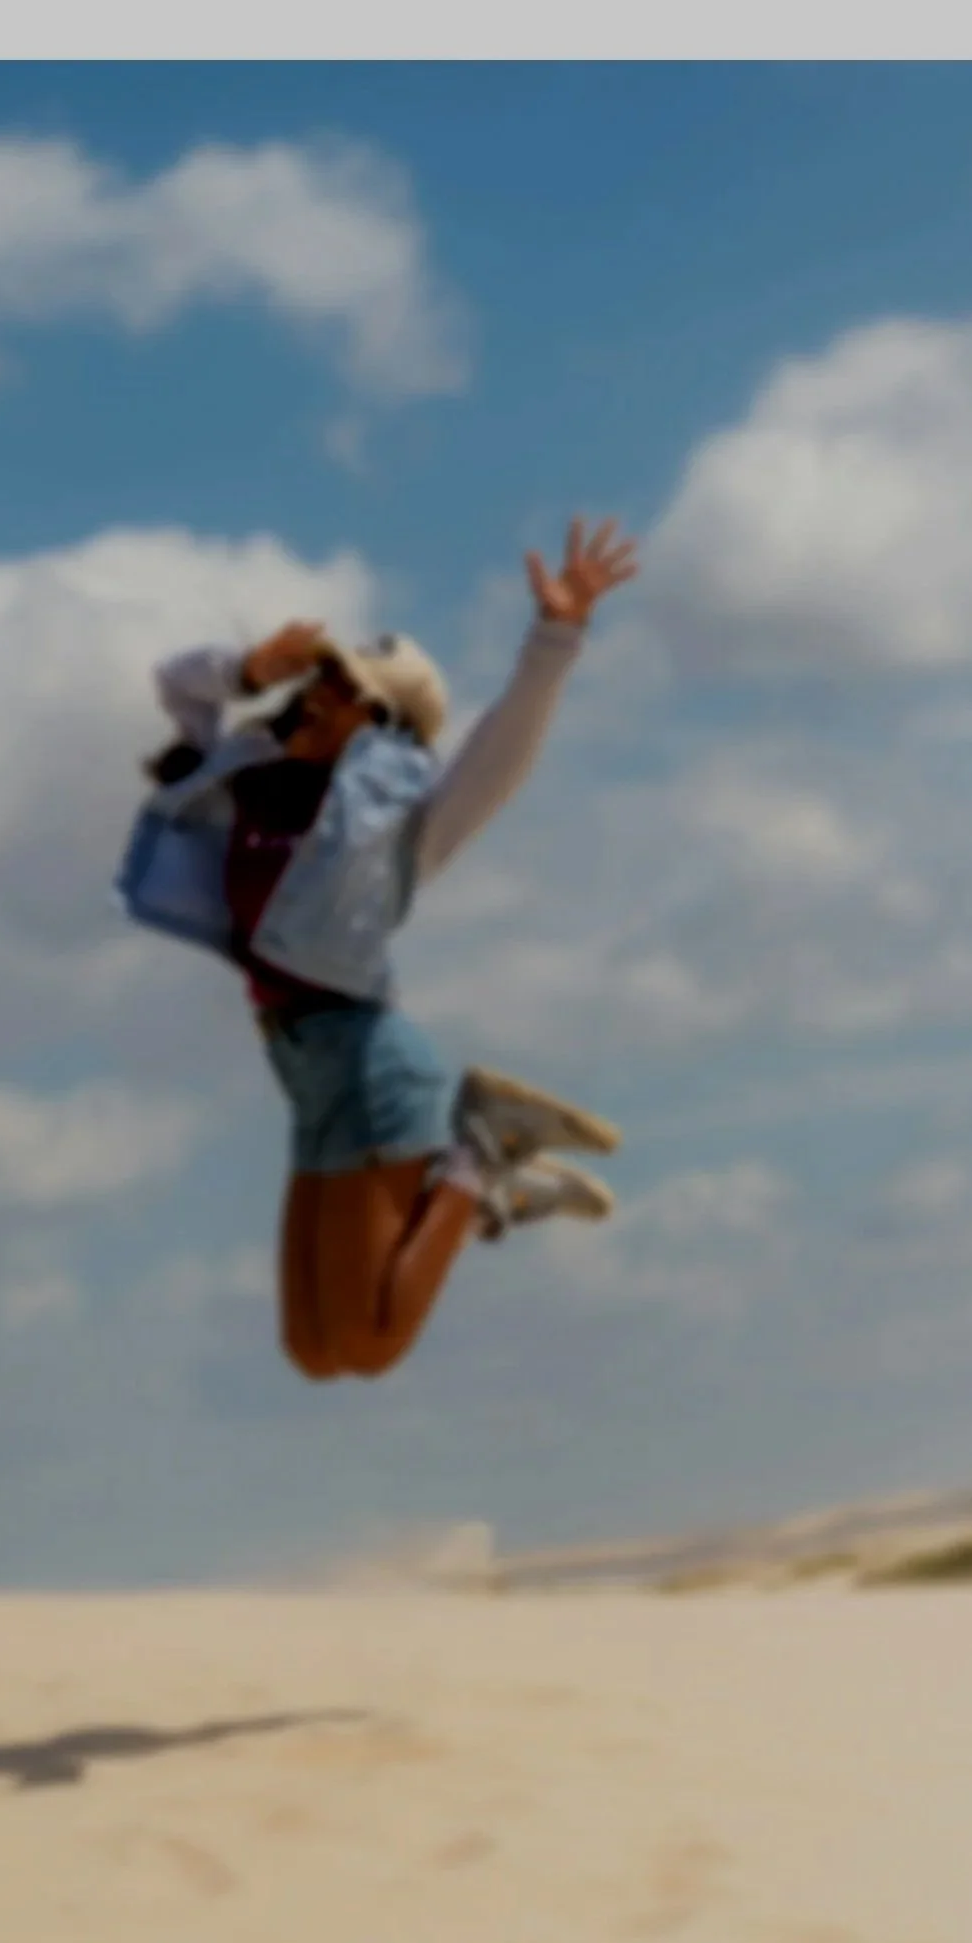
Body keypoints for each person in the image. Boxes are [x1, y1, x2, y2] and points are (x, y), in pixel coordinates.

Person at [117, 516, 640, 1381]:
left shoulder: (392, 832)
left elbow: (499, 759)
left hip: (371, 1065)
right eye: (322, 675)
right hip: (305, 1076)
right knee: (313, 1353)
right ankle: (482, 1176)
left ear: (380, 725)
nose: (320, 689)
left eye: (344, 684)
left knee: (372, 1343)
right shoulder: (246, 786)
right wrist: (247, 670)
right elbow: (177, 685)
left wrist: (557, 635)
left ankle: (479, 1152)